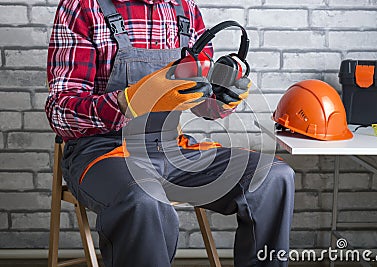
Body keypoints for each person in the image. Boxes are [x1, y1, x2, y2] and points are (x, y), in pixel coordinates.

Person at [45, 0, 295, 266]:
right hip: (102, 152)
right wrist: (126, 103)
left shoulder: (184, 8)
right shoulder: (84, 7)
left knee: (273, 177)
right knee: (144, 200)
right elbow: (59, 112)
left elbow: (200, 102)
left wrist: (221, 101)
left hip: (171, 146)